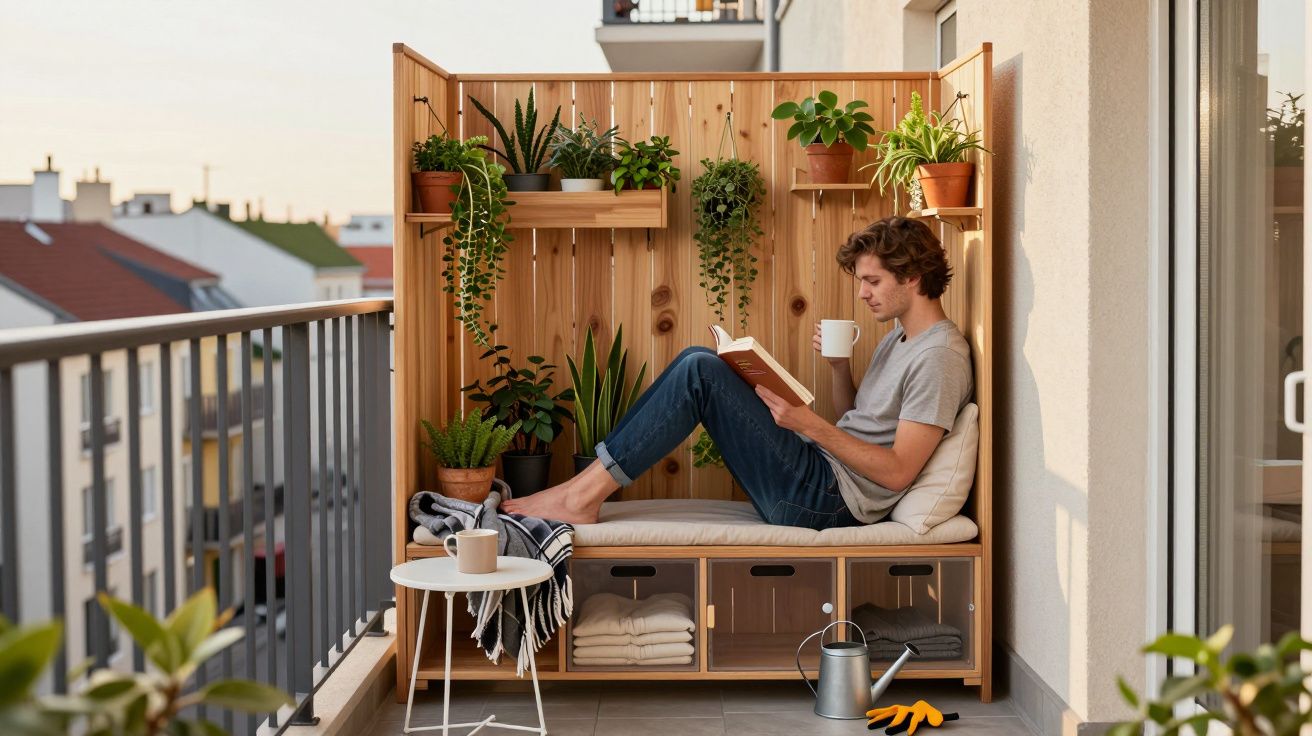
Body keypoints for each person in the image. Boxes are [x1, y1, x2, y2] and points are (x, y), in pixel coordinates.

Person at [503, 217, 973, 529]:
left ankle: (580, 496)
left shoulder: (940, 357)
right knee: (696, 360)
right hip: (819, 474)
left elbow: (896, 472)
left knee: (701, 372)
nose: (863, 294)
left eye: (873, 281)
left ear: (912, 277)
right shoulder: (900, 338)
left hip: (825, 501)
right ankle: (580, 491)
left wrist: (806, 424)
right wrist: (838, 367)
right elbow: (859, 421)